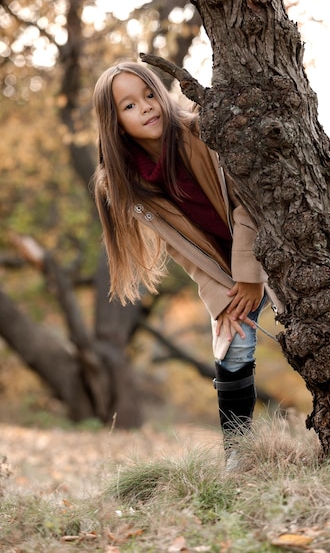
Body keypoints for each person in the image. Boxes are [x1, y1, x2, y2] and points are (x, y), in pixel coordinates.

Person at [93, 60, 280, 456]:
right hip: (226, 271)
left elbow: (250, 200)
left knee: (313, 329)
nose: (145, 107)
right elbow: (187, 253)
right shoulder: (131, 184)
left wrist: (250, 272)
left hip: (273, 245)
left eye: (148, 94)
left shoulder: (201, 130)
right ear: (114, 123)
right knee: (232, 345)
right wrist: (222, 301)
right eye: (128, 106)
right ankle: (238, 455)